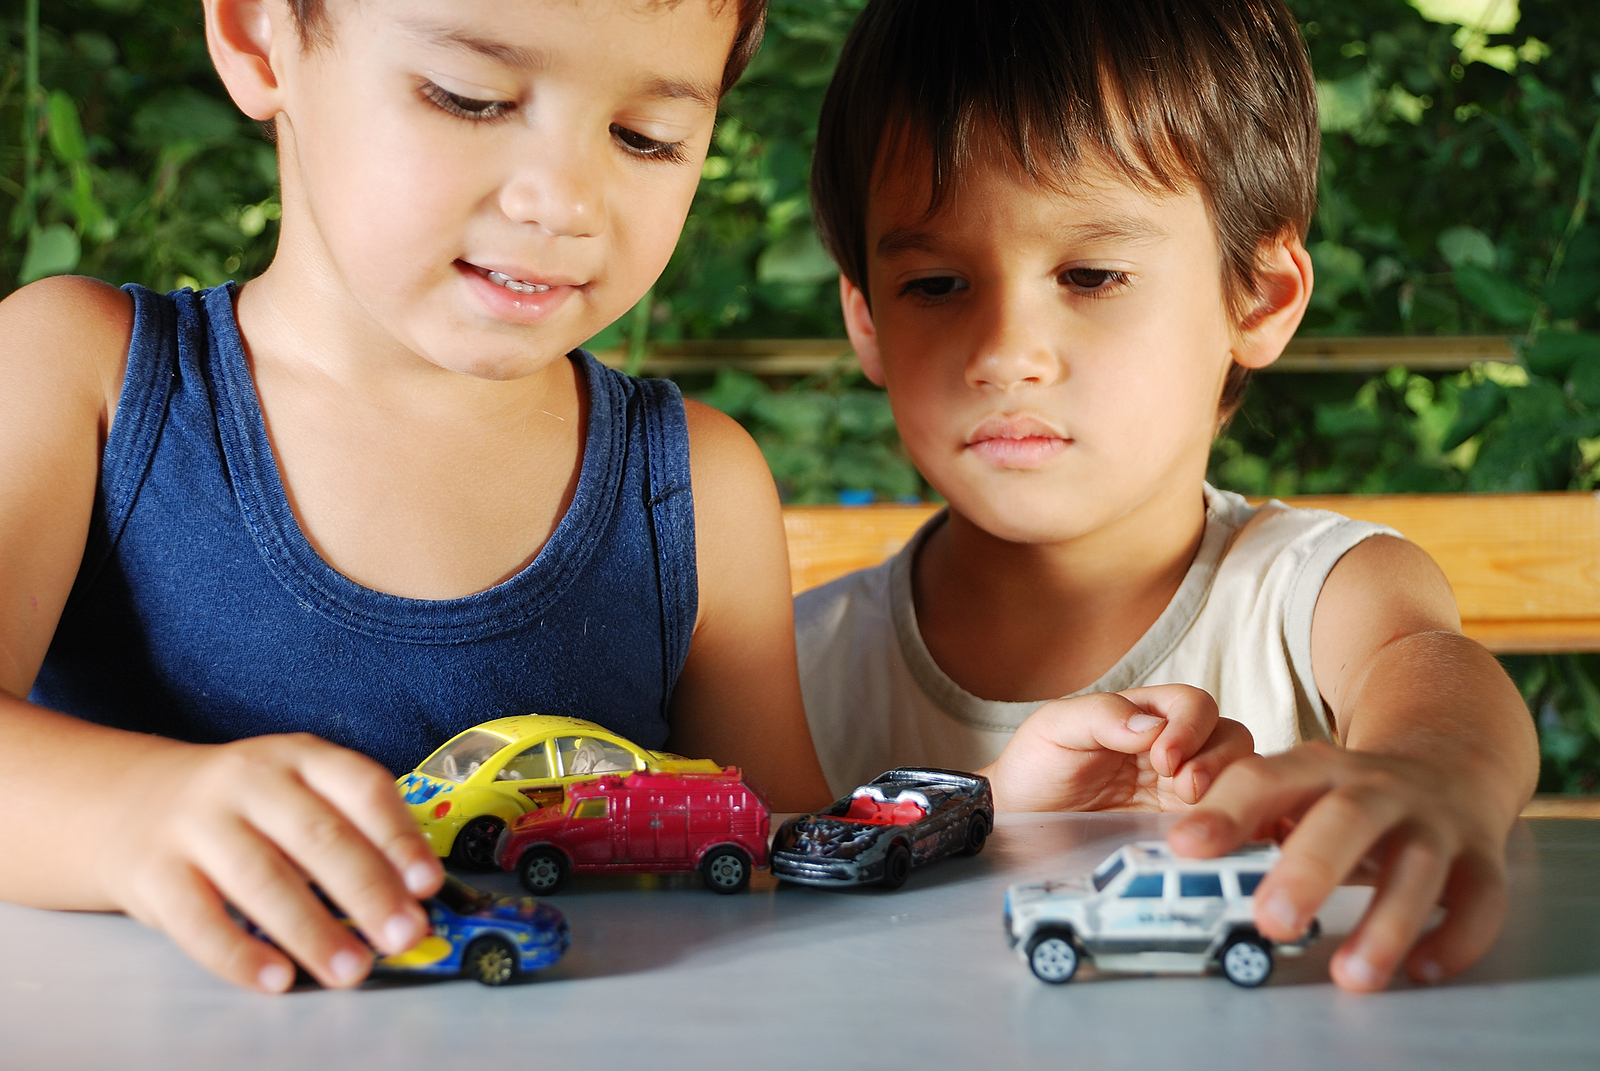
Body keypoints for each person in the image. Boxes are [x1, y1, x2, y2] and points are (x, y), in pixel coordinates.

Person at [0, 0, 829, 993]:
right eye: (470, 98)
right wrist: (132, 813)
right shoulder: (78, 375)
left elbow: (782, 865)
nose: (564, 201)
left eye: (644, 138)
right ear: (260, 35)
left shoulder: (697, 484)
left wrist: (1016, 818)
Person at [797, 0, 1537, 992]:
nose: (1006, 353)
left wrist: (1436, 771)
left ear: (1258, 297)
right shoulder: (792, 666)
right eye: (935, 284)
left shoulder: (1314, 593)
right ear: (867, 320)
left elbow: (1429, 671)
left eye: (1092, 273)